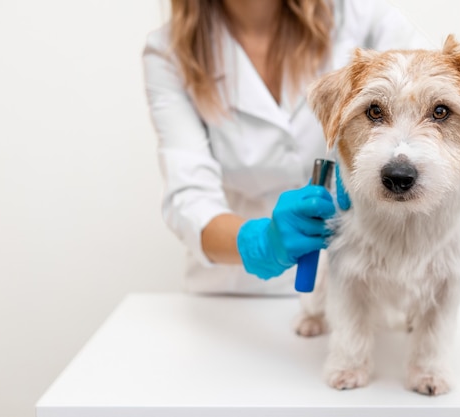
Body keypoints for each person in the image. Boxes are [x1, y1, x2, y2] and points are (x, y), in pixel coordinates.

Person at [142, 0, 432, 295]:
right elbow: (189, 197)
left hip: (362, 281)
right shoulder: (169, 53)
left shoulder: (357, 15)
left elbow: (431, 88)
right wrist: (259, 242)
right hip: (238, 289)